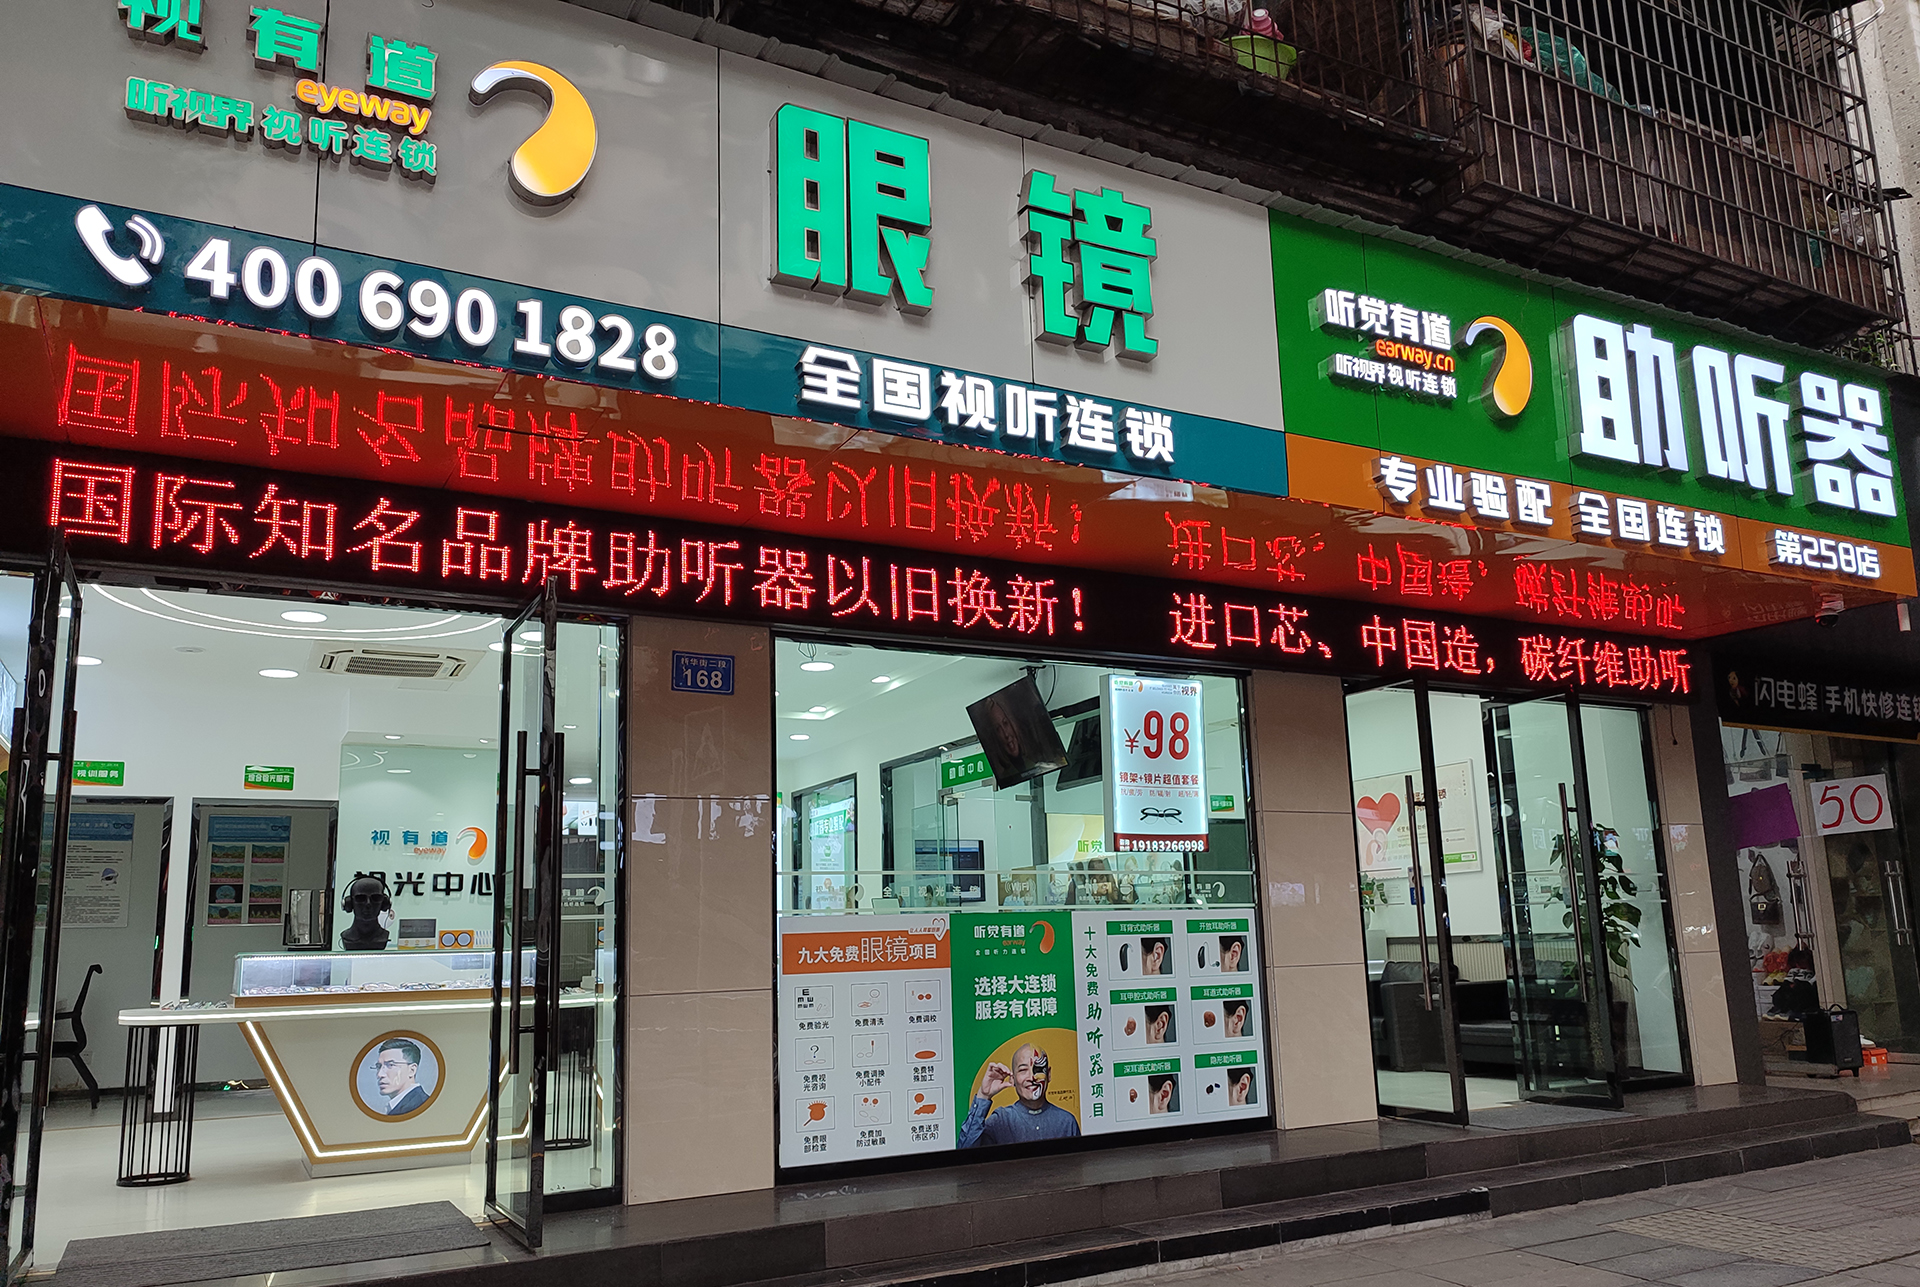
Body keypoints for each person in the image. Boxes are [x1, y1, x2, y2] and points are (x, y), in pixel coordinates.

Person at [958, 1043, 1079, 1147]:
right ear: (1012, 1079)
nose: (1031, 1077)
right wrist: (983, 1096)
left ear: (1049, 1074)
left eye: (1038, 1068)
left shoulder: (1067, 1122)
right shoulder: (1000, 1121)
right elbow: (964, 1156)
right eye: (1023, 1070)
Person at [371, 1037, 429, 1115]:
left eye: (390, 1065)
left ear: (412, 1070)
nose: (380, 1074)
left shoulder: (420, 1106)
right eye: (378, 1066)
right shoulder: (398, 1106)